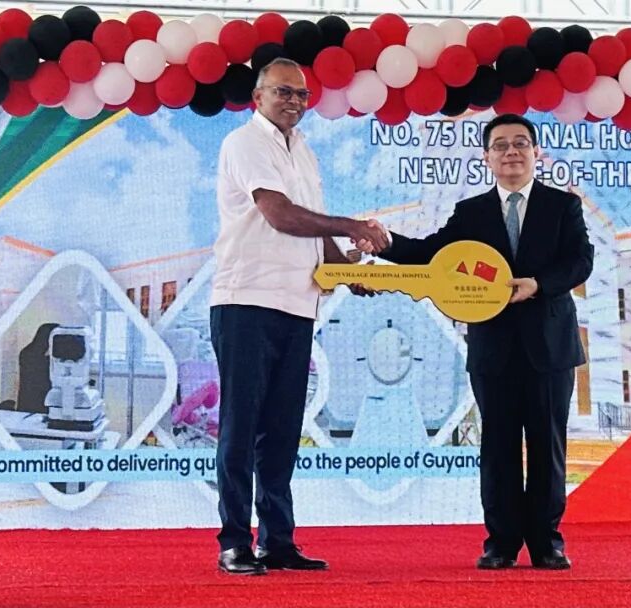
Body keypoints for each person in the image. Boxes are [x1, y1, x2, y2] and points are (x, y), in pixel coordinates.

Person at [358, 114, 593, 570]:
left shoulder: (563, 206)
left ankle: (546, 542)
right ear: (486, 157)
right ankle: (500, 542)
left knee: (547, 446)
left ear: (536, 153)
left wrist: (539, 284)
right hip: (493, 349)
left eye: (520, 143)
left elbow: (580, 261)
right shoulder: (471, 213)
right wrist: (386, 244)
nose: (511, 152)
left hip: (550, 347)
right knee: (498, 447)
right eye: (500, 145)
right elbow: (433, 255)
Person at [211, 57, 388, 576]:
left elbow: (314, 232)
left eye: (302, 95)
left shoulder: (304, 150)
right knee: (241, 427)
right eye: (283, 92)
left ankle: (278, 541)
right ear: (258, 97)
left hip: (298, 304)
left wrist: (346, 273)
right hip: (246, 301)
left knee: (282, 429)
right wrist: (352, 225)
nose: (294, 101)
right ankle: (234, 542)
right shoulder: (245, 142)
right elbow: (281, 215)